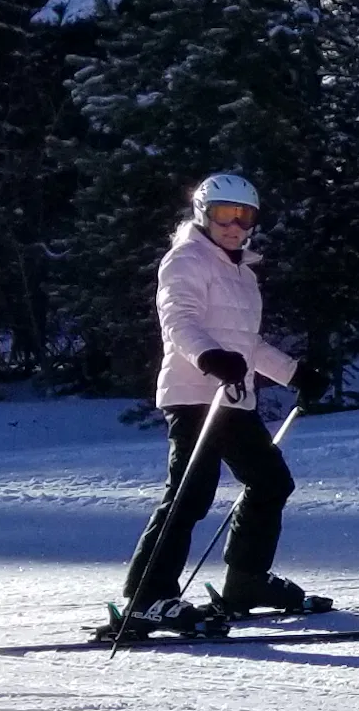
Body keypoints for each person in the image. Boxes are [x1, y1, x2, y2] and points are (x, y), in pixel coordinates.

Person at [108, 171, 328, 640]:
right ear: (203, 213)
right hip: (193, 395)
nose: (234, 224)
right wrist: (209, 357)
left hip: (233, 398)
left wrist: (294, 374)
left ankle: (245, 582)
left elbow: (247, 345)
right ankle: (147, 600)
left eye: (244, 215)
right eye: (224, 213)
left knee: (271, 482)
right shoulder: (185, 259)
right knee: (190, 493)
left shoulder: (242, 273)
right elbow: (178, 319)